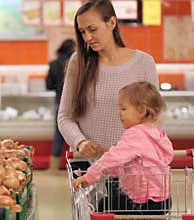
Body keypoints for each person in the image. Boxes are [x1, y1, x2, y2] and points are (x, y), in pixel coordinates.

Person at [58, 0, 159, 158]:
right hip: (87, 166)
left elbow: (153, 117)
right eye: (82, 32)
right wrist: (80, 142)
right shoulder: (78, 63)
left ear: (112, 23)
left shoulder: (144, 62)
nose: (87, 37)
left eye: (92, 29)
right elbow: (64, 116)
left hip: (131, 165)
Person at [73, 81, 173, 214]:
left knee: (105, 206)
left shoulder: (135, 133)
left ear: (141, 110)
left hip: (143, 202)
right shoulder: (157, 132)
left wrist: (89, 176)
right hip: (163, 199)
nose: (119, 113)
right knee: (112, 193)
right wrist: (112, 170)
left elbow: (113, 158)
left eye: (123, 109)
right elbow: (167, 155)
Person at [46, 39, 75, 172]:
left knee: (59, 134)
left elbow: (48, 85)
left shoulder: (54, 63)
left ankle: (53, 168)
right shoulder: (76, 62)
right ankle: (75, 167)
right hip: (76, 103)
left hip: (60, 102)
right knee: (75, 133)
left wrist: (58, 87)